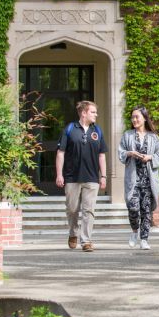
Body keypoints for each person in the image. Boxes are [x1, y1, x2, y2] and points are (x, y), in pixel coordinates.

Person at [56, 101, 108, 252]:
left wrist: (103, 176)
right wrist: (60, 174)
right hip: (72, 177)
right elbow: (60, 153)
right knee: (72, 209)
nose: (96, 115)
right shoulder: (70, 129)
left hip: (92, 178)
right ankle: (73, 233)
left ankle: (86, 241)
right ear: (84, 113)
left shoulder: (97, 131)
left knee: (88, 210)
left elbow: (101, 155)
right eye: (93, 112)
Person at [118, 106, 159, 250]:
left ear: (144, 118)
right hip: (133, 179)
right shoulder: (127, 135)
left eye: (137, 117)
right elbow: (121, 153)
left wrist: (150, 157)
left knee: (146, 210)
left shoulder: (154, 137)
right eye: (132, 117)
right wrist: (129, 153)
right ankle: (134, 231)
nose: (134, 120)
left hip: (148, 180)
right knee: (133, 208)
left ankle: (144, 239)